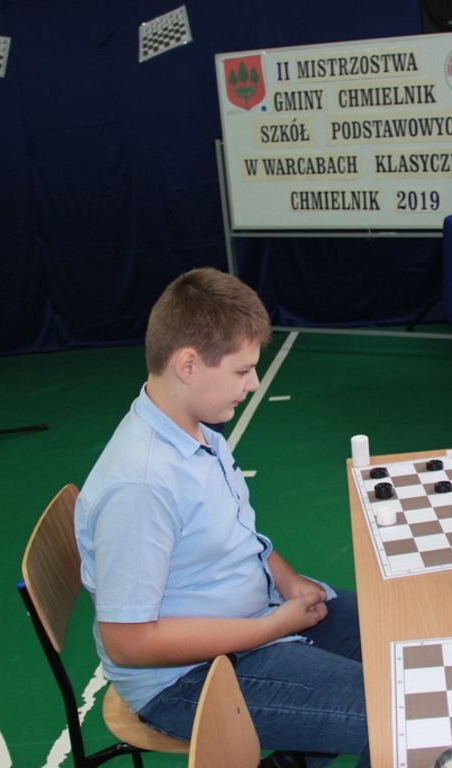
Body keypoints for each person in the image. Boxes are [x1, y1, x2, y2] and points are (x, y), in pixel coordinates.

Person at [75, 267, 368, 767]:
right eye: (241, 371)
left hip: (252, 619)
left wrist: (287, 580)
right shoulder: (141, 487)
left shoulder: (198, 430)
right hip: (185, 680)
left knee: (400, 634)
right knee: (398, 708)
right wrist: (272, 627)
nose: (253, 384)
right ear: (188, 364)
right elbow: (128, 644)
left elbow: (238, 535)